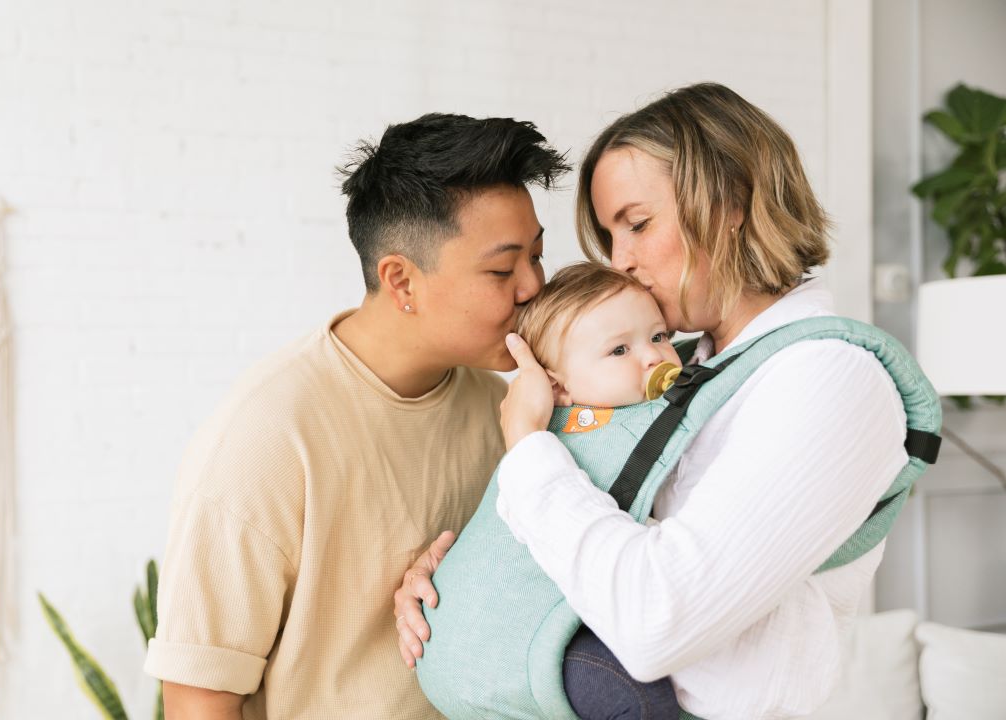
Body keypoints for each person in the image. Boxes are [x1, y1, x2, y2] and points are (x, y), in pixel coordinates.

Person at [394, 83, 920, 719]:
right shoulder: (684, 374)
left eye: (637, 225)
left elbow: (654, 623)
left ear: (730, 200)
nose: (622, 262)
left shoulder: (830, 380)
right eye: (612, 237)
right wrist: (469, 584)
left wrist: (530, 451)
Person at [144, 112, 569, 720]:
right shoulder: (267, 435)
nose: (534, 286)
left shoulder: (507, 406)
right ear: (402, 281)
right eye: (502, 270)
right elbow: (197, 700)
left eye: (538, 256)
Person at [415, 261, 684, 720]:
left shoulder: (645, 412)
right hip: (497, 648)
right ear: (557, 387)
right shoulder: (556, 439)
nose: (654, 357)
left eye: (659, 336)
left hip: (477, 645)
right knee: (642, 699)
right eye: (619, 349)